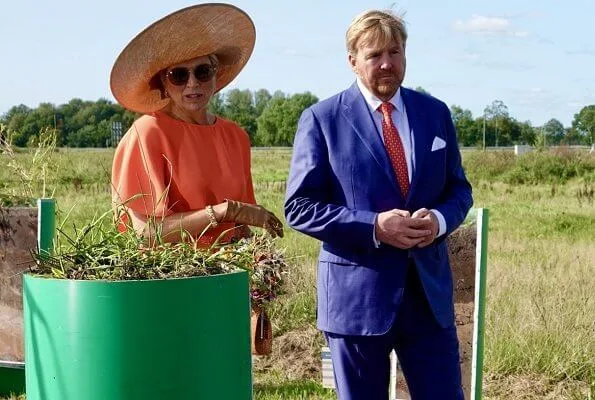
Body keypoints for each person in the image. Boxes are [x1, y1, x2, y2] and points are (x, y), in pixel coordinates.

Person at [284, 8, 473, 400]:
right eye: (374, 55)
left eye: (395, 52)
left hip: (428, 300)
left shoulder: (435, 114)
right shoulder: (322, 119)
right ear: (352, 61)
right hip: (356, 303)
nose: (387, 64)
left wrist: (438, 220)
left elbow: (459, 190)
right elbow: (299, 206)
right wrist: (373, 226)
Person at [110, 4, 283, 247]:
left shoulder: (235, 136)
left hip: (228, 274)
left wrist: (259, 258)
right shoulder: (147, 133)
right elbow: (144, 234)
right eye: (179, 75)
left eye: (202, 72)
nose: (192, 84)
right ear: (163, 82)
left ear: (216, 73)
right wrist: (224, 212)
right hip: (174, 278)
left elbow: (241, 227)